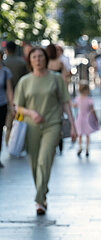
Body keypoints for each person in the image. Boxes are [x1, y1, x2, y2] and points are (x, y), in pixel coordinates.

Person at [14, 47, 77, 215]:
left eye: (40, 56)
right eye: (34, 56)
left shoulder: (56, 79)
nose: (38, 59)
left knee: (44, 160)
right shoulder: (24, 81)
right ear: (30, 60)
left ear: (46, 58)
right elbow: (17, 107)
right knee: (34, 163)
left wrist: (73, 125)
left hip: (53, 124)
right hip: (31, 127)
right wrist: (31, 112)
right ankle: (42, 193)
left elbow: (65, 103)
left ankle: (38, 199)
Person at [3, 41, 28, 146]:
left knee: (8, 124)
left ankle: (9, 144)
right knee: (20, 121)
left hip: (6, 97)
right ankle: (19, 144)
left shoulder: (4, 63)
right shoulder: (22, 62)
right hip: (20, 97)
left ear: (7, 50)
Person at [46, 43, 69, 154]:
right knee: (58, 119)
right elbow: (65, 81)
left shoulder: (45, 65)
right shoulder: (60, 64)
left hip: (48, 95)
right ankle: (58, 138)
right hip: (58, 95)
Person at [73, 81, 99, 157]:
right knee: (87, 134)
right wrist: (95, 118)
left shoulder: (78, 99)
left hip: (80, 118)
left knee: (80, 134)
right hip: (87, 118)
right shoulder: (89, 100)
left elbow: (74, 106)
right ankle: (87, 148)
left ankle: (80, 147)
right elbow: (92, 110)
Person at [0, 50, 14, 168]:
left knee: (0, 130)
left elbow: (9, 89)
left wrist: (11, 105)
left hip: (2, 104)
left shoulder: (5, 72)